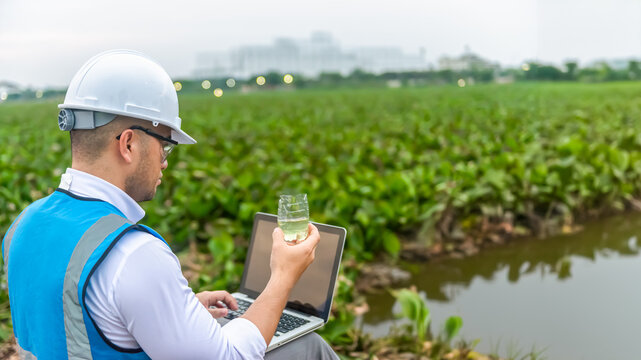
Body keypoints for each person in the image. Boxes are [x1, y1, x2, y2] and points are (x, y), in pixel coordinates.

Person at [2, 50, 338, 360]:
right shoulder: (133, 255)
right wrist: (283, 276)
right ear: (129, 143)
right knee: (309, 347)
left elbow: (74, 321)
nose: (165, 162)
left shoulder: (22, 226)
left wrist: (179, 310)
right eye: (165, 145)